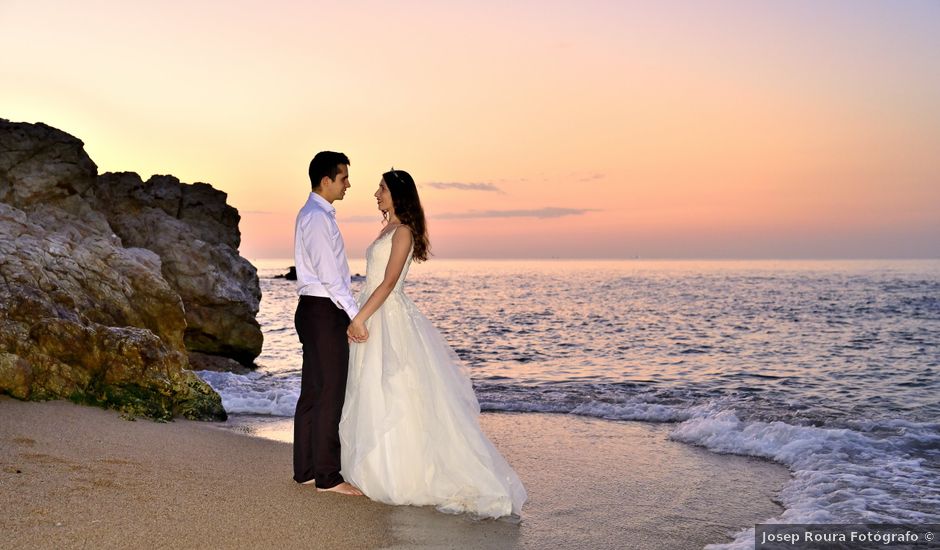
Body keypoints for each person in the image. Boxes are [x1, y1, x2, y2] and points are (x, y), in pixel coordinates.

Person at [339, 169, 527, 518]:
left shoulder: (404, 233)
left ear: (397, 193)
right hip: (377, 313)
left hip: (387, 316)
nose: (375, 193)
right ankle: (376, 466)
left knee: (397, 390)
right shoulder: (389, 229)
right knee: (373, 390)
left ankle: (401, 474)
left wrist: (360, 317)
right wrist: (360, 313)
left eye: (381, 188)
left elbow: (389, 282)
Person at [292, 151, 365, 496]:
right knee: (330, 392)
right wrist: (354, 314)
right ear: (326, 180)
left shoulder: (310, 213)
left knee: (314, 391)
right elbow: (331, 275)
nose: (348, 184)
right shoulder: (318, 218)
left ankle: (306, 470)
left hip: (312, 307)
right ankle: (328, 476)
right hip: (324, 309)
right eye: (343, 178)